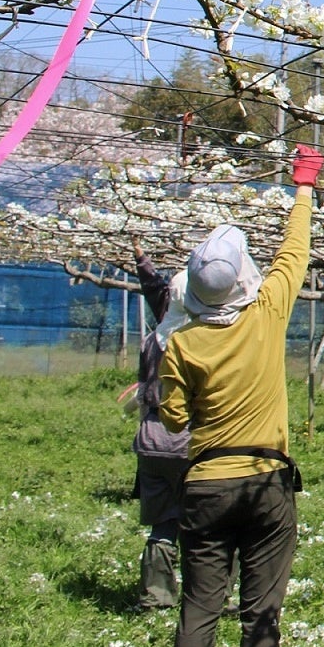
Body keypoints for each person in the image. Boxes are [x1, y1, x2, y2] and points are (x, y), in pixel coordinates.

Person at [160, 145, 322, 647]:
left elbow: (174, 418)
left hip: (204, 485)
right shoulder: (267, 314)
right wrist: (303, 186)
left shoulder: (181, 342)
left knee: (199, 607)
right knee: (261, 612)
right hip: (266, 484)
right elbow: (294, 253)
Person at [117, 237, 192, 613]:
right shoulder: (200, 337)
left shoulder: (159, 332)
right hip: (191, 443)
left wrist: (141, 258)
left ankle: (156, 596)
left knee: (163, 523)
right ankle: (209, 596)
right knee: (205, 524)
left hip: (151, 440)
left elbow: (155, 291)